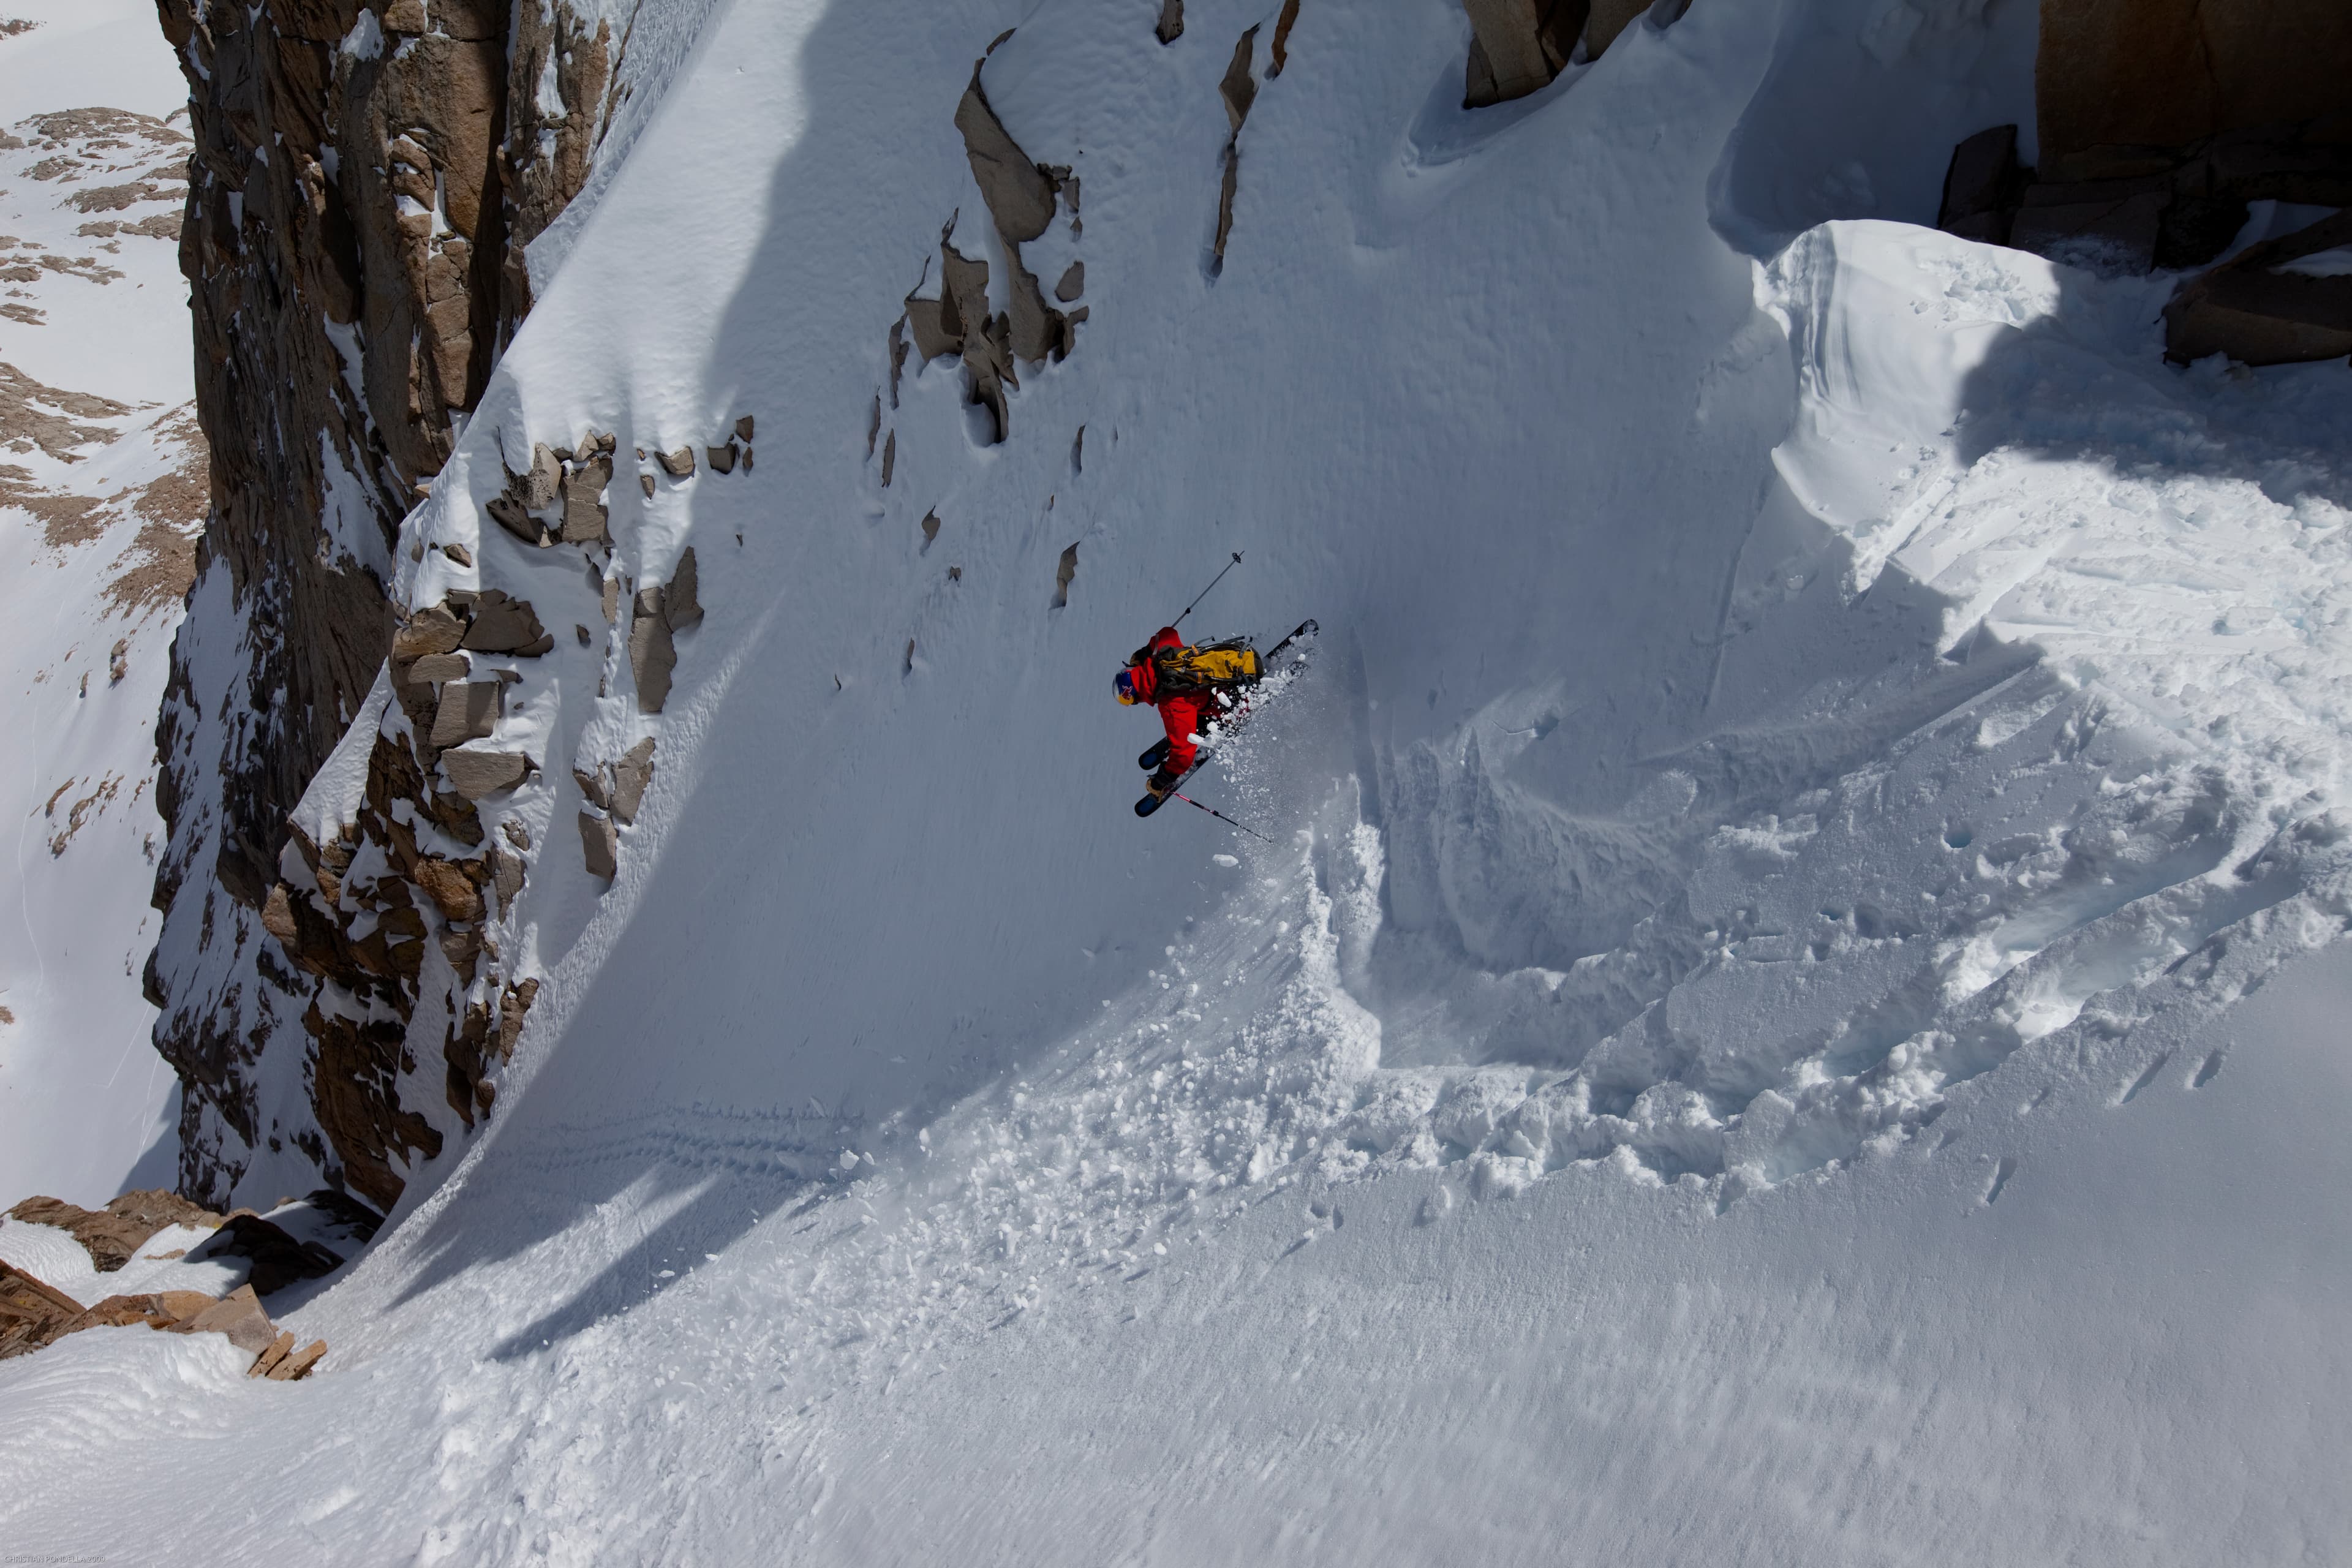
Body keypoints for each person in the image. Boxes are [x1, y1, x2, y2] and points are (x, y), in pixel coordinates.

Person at [1115, 625, 1243, 801]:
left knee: (1187, 731)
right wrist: (1145, 653)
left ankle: (1206, 726)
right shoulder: (1163, 657)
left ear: (1136, 694)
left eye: (1134, 700)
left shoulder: (1170, 703)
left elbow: (1184, 756)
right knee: (1194, 707)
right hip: (1238, 660)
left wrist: (1162, 780)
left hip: (1237, 703)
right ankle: (1193, 724)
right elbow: (1167, 633)